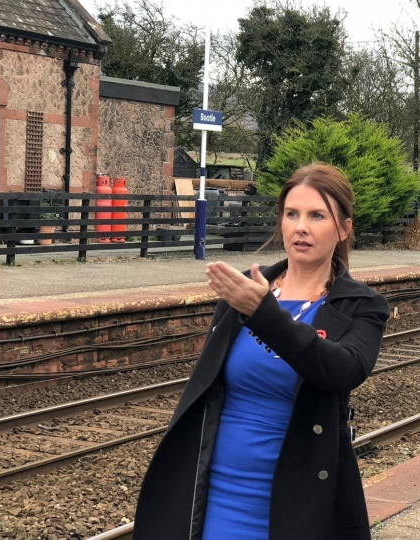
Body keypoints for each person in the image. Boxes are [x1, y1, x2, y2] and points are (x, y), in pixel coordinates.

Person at [133, 162, 389, 540]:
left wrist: (264, 313)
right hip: (217, 495)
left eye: (317, 215)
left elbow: (341, 370)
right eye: (291, 214)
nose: (300, 226)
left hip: (297, 502)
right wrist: (257, 306)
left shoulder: (361, 305)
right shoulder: (247, 292)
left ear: (343, 229)